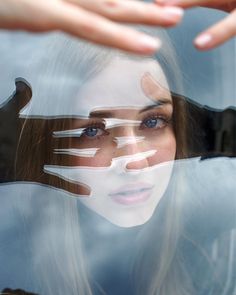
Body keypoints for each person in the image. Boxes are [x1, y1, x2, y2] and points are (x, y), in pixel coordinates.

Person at [0, 27, 236, 295]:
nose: (134, 162)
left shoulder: (218, 253)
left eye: (153, 121)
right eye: (92, 131)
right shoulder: (9, 261)